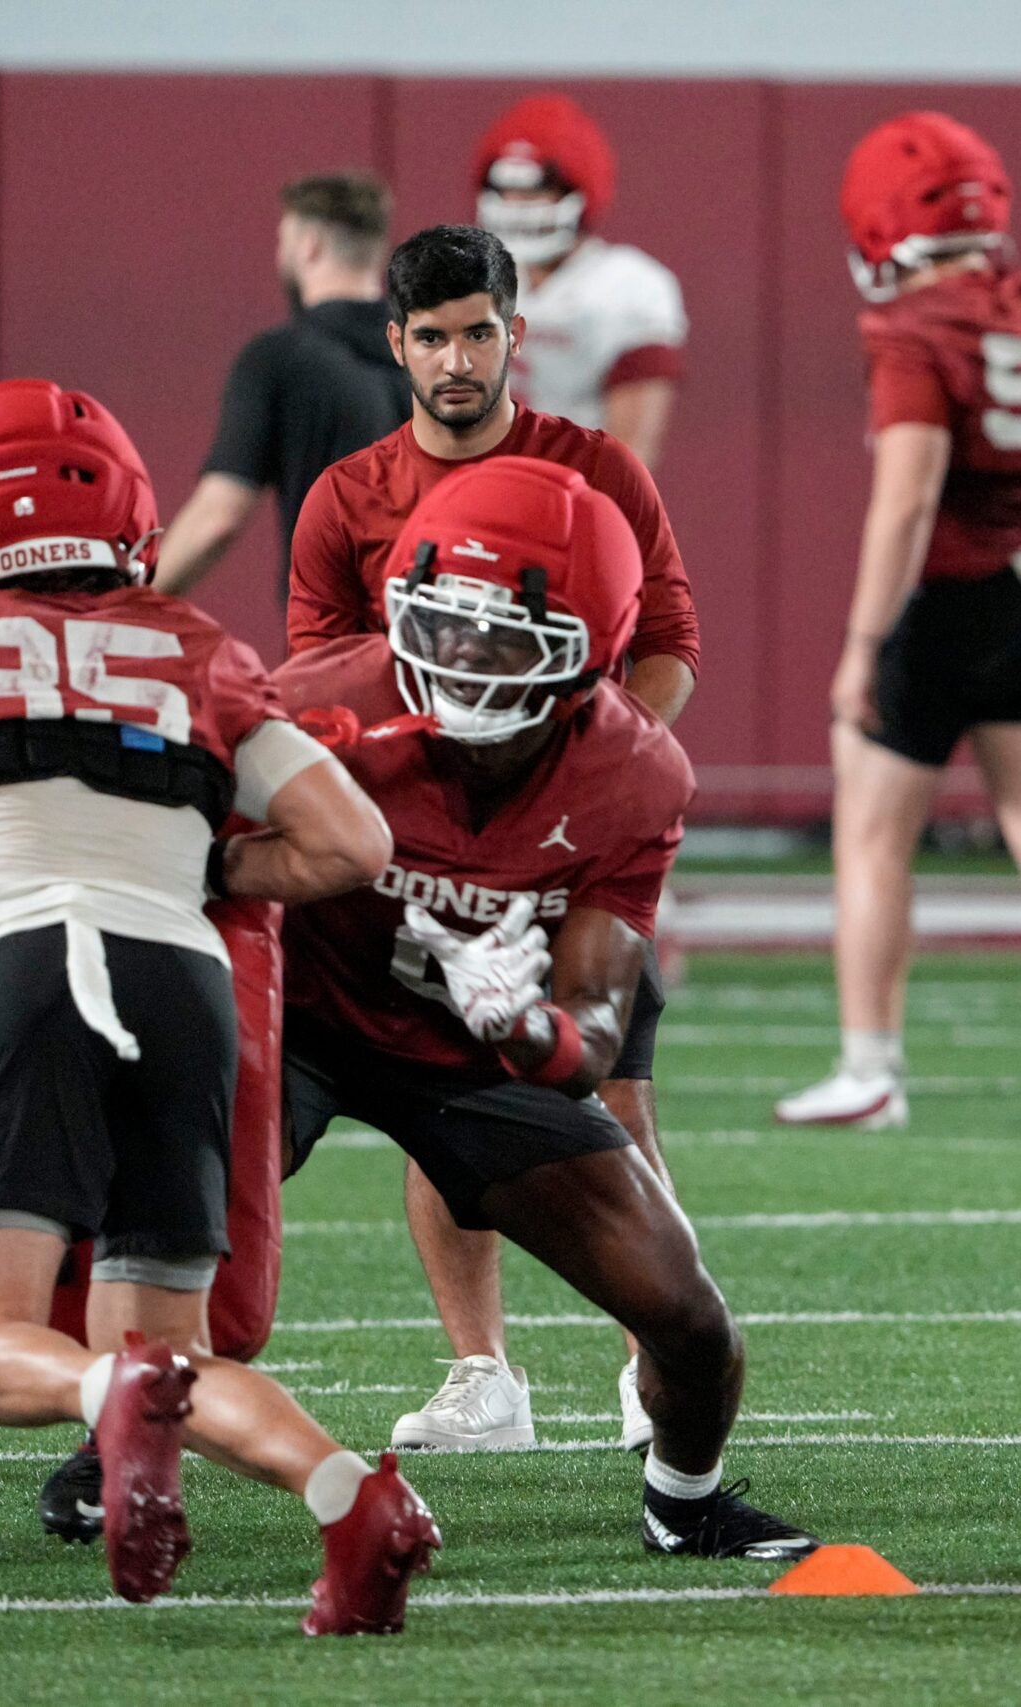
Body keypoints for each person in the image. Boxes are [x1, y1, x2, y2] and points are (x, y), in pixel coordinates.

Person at [0, 377, 436, 1632]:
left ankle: (101, 1398)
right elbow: (352, 841)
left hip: (19, 972)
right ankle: (352, 1498)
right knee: (173, 1361)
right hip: (182, 984)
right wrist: (208, 869)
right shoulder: (197, 645)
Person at [280, 454, 814, 1560]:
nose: (464, 656)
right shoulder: (316, 704)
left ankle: (684, 1504)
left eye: (507, 636)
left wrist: (522, 1025)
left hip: (473, 1059)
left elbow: (594, 1035)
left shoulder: (634, 773)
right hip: (300, 1025)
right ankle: (115, 1438)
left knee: (689, 1320)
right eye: (447, 621)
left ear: (591, 653)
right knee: (168, 1223)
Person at [286, 222, 699, 1457]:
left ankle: (650, 1362)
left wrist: (588, 778)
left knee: (610, 1095)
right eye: (433, 337)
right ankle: (484, 1372)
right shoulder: (346, 496)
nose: (458, 360)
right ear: (396, 343)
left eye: (479, 333)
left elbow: (669, 647)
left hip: (560, 851)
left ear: (516, 332)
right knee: (437, 1105)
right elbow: (324, 692)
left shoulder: (597, 470)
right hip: (410, 863)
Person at [775, 112, 1021, 1135]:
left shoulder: (912, 328)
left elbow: (906, 502)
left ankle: (869, 1069)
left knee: (872, 843)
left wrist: (862, 647)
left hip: (943, 605)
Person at [152, 173, 405, 600]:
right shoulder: (436, 356)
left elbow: (217, 518)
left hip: (334, 628)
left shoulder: (279, 357)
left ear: (309, 245)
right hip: (440, 630)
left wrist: (131, 606)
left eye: (282, 240)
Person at [473, 95, 687, 466]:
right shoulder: (474, 276)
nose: (518, 203)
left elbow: (631, 462)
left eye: (536, 189)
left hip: (578, 489)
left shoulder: (629, 289)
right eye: (506, 190)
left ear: (575, 191)